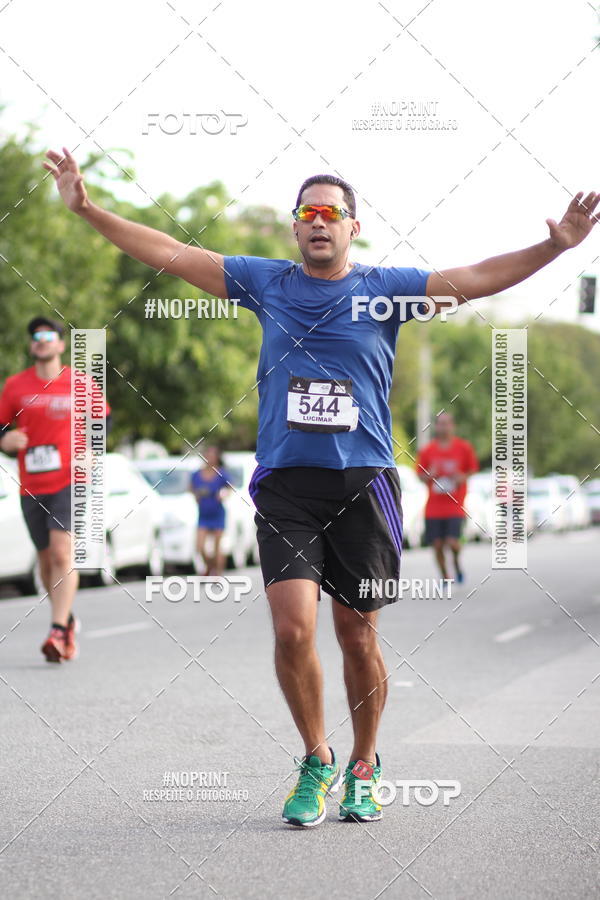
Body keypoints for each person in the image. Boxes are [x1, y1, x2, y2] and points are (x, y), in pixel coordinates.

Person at [43, 145, 599, 825]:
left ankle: (365, 764)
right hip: (285, 484)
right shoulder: (264, 282)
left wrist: (556, 247)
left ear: (352, 227)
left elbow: (477, 277)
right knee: (291, 629)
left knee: (357, 635)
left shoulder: (387, 289)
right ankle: (316, 758)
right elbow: (168, 252)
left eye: (331, 213)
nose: (318, 222)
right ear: (295, 226)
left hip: (363, 481)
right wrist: (89, 208)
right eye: (307, 212)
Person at [0, 317, 111, 662]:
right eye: (36, 337)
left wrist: (92, 452)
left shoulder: (80, 383)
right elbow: (1, 427)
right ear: (32, 345)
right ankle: (67, 619)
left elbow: (103, 421)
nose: (42, 341)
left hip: (70, 480)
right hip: (32, 484)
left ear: (61, 345)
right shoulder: (15, 386)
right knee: (47, 562)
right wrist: (6, 439)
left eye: (49, 336)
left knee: (62, 553)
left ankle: (58, 631)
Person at [416, 412, 479, 584]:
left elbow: (472, 469)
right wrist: (430, 475)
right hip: (434, 507)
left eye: (447, 424)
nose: (443, 427)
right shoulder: (428, 450)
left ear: (453, 426)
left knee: (452, 542)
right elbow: (420, 475)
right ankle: (445, 576)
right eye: (440, 424)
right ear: (436, 427)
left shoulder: (463, 448)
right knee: (437, 545)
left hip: (455, 505)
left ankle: (457, 563)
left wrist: (462, 477)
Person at [189, 446, 230, 575]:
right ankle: (209, 566)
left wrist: (223, 494)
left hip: (217, 513)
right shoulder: (197, 474)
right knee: (200, 546)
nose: (210, 458)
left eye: (213, 455)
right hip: (203, 515)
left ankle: (217, 573)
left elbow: (229, 487)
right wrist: (195, 495)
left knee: (217, 546)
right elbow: (191, 487)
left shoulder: (220, 473)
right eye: (208, 455)